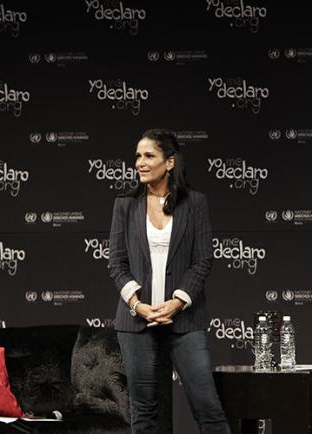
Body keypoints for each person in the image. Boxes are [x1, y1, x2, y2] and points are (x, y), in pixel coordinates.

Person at [108, 128, 231, 434]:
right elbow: (117, 264)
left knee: (208, 408)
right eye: (137, 156)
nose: (140, 162)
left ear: (170, 162)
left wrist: (177, 302)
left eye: (149, 155)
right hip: (137, 322)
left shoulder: (195, 203)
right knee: (144, 413)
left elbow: (202, 261)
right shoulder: (124, 205)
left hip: (185, 319)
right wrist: (138, 305)